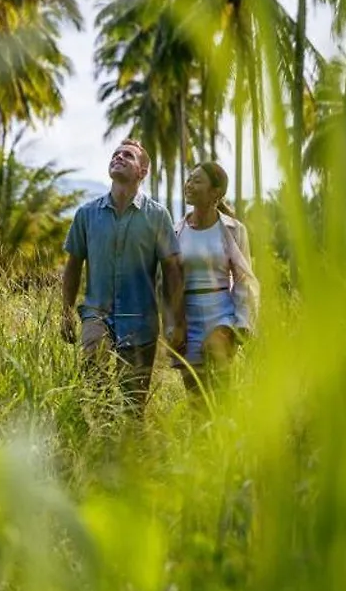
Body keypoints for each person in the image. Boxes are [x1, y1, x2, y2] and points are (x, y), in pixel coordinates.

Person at [61, 138, 184, 414]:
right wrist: (65, 311)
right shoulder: (86, 214)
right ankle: (96, 447)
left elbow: (173, 272)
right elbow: (73, 266)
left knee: (133, 406)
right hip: (96, 315)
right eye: (115, 154)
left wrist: (174, 320)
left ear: (142, 171)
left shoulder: (157, 216)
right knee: (94, 392)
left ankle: (130, 451)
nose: (118, 157)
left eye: (127, 155)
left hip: (141, 321)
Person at [173, 161, 260, 395]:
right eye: (189, 179)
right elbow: (168, 282)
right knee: (196, 398)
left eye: (197, 180)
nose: (189, 184)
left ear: (216, 192)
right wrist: (172, 324)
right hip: (187, 319)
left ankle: (227, 429)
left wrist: (241, 323)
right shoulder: (176, 231)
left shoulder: (234, 229)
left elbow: (243, 279)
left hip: (221, 315)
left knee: (220, 388)